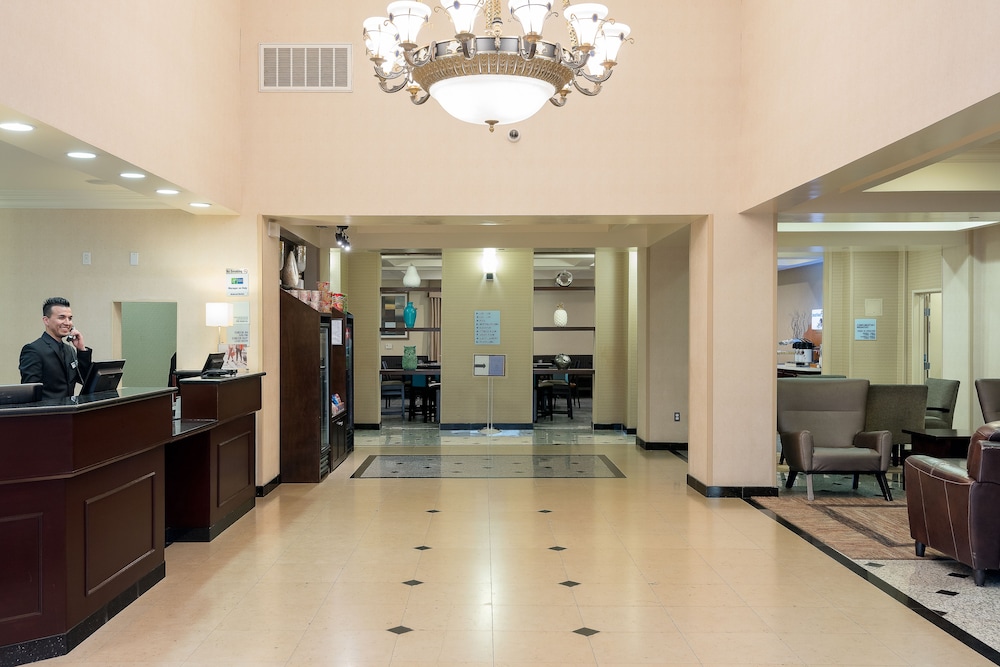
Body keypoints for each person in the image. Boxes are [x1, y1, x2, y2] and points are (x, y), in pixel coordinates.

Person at [19, 297, 93, 400]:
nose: (67, 323)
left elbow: (85, 380)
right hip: (49, 413)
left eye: (70, 318)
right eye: (61, 317)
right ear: (46, 320)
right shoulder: (33, 350)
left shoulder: (69, 350)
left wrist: (81, 350)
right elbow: (30, 393)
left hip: (70, 412)